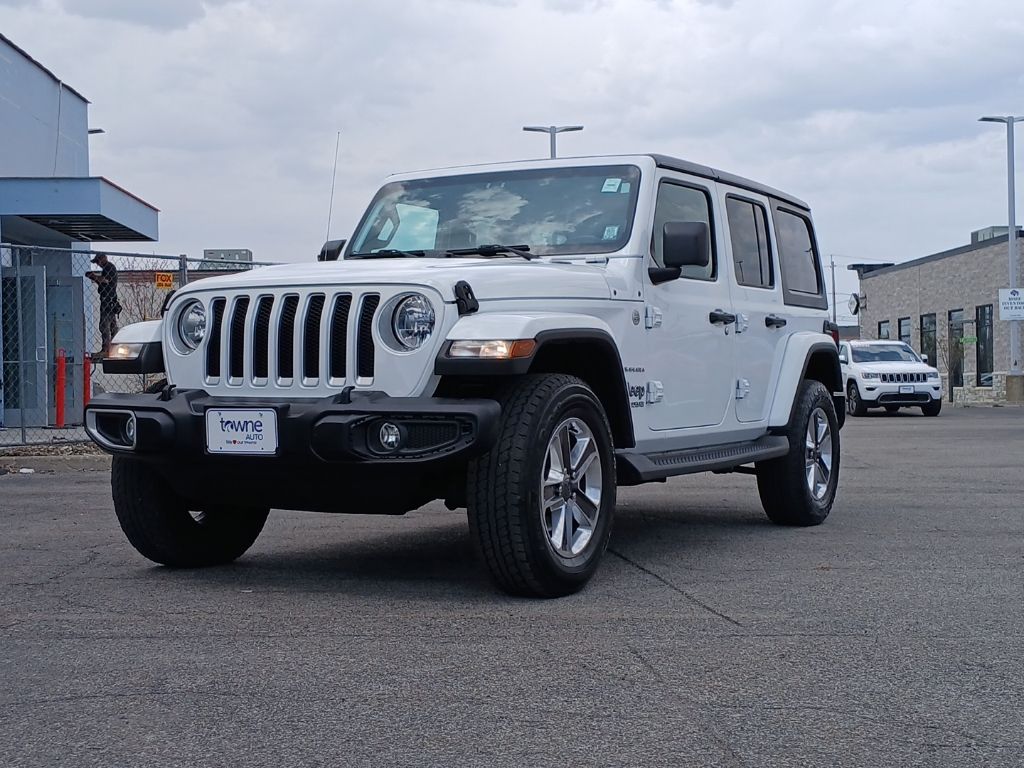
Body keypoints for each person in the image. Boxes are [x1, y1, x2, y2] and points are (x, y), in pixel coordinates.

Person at [86, 253, 120, 357]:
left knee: (104, 325)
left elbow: (105, 280)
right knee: (112, 326)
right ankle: (114, 348)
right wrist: (95, 278)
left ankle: (106, 349)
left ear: (103, 259)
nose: (98, 264)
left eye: (98, 261)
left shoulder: (109, 267)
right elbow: (104, 283)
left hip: (107, 301)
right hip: (110, 300)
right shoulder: (108, 268)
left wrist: (94, 276)